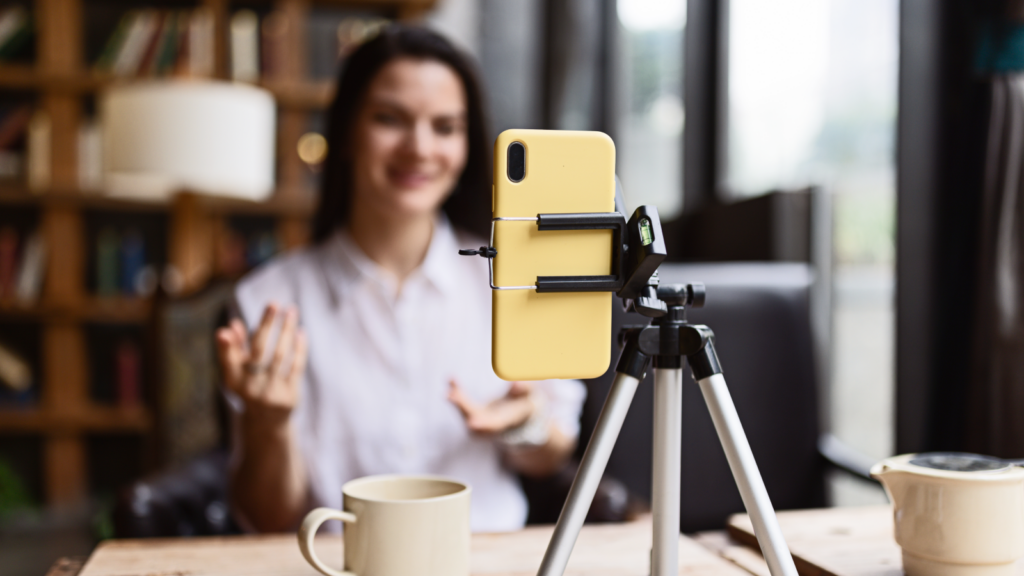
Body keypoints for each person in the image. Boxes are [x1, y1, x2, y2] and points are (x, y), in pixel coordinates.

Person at [215, 25, 586, 533]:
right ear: (346, 131)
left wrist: (525, 425)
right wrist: (270, 426)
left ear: (467, 144)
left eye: (445, 127)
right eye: (390, 119)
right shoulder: (269, 301)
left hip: (489, 562)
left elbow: (554, 451)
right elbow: (269, 518)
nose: (419, 147)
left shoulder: (514, 278)